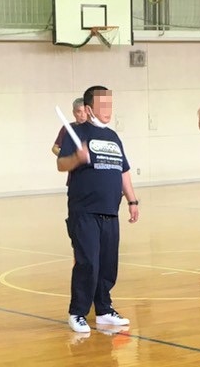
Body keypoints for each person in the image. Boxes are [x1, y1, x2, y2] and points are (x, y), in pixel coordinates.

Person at [56, 85, 139, 333]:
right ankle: (78, 312)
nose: (107, 110)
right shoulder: (76, 132)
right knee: (88, 263)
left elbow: (123, 170)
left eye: (109, 104)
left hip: (110, 210)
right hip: (84, 210)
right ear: (89, 108)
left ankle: (104, 309)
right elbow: (61, 164)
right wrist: (77, 158)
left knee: (107, 264)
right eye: (102, 105)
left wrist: (132, 200)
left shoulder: (113, 136)